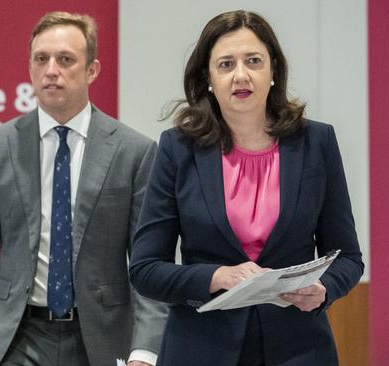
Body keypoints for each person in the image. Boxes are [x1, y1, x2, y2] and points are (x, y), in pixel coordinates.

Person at [128, 9, 364, 366]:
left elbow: (348, 257)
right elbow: (146, 269)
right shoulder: (178, 148)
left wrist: (323, 289)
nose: (241, 75)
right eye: (225, 64)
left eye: (253, 61)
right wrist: (218, 276)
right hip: (201, 350)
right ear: (207, 78)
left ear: (273, 71)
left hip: (300, 350)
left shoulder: (317, 143)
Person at [0, 11, 167, 366]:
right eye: (41, 59)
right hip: (16, 336)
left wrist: (145, 350)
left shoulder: (134, 152)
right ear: (30, 68)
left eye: (65, 60)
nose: (52, 70)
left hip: (101, 337)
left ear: (92, 70)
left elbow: (148, 263)